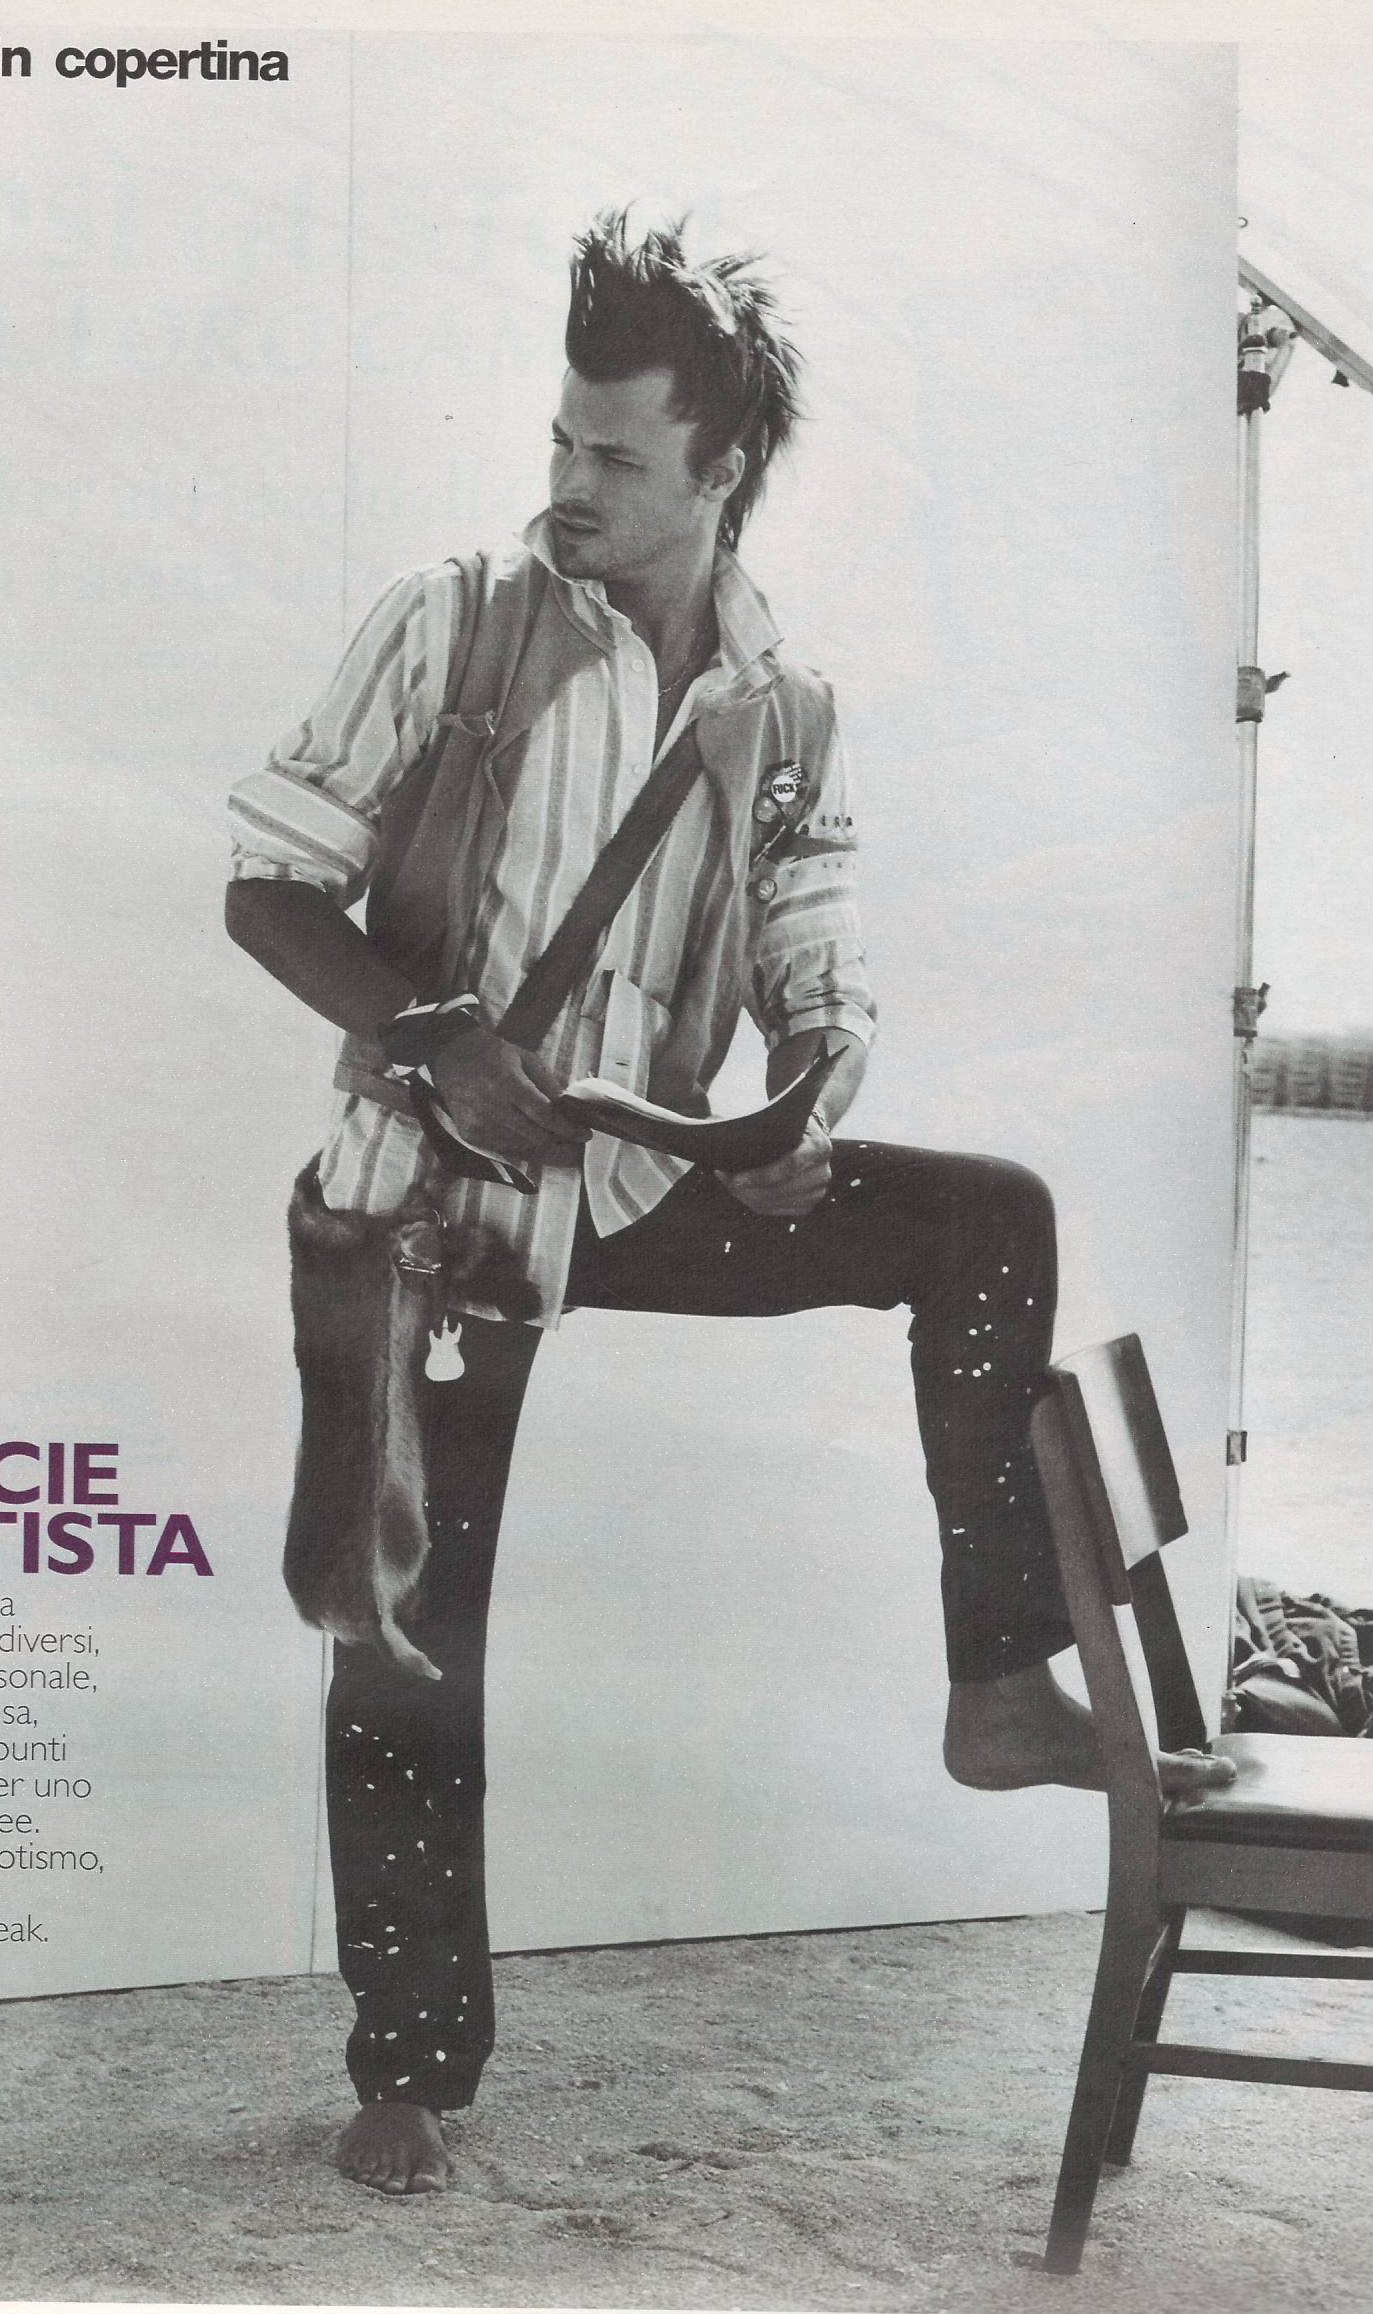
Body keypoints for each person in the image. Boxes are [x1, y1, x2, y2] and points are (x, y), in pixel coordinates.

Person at [225, 211, 1233, 2197]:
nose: (565, 482)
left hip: (631, 1172)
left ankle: (995, 1679)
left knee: (985, 1220)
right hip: (433, 1198)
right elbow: (265, 890)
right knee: (410, 1628)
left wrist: (806, 1102)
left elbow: (813, 962)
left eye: (614, 455)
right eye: (558, 438)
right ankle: (408, 2066)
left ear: (721, 466)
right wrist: (429, 1036)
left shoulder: (783, 701)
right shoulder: (446, 621)